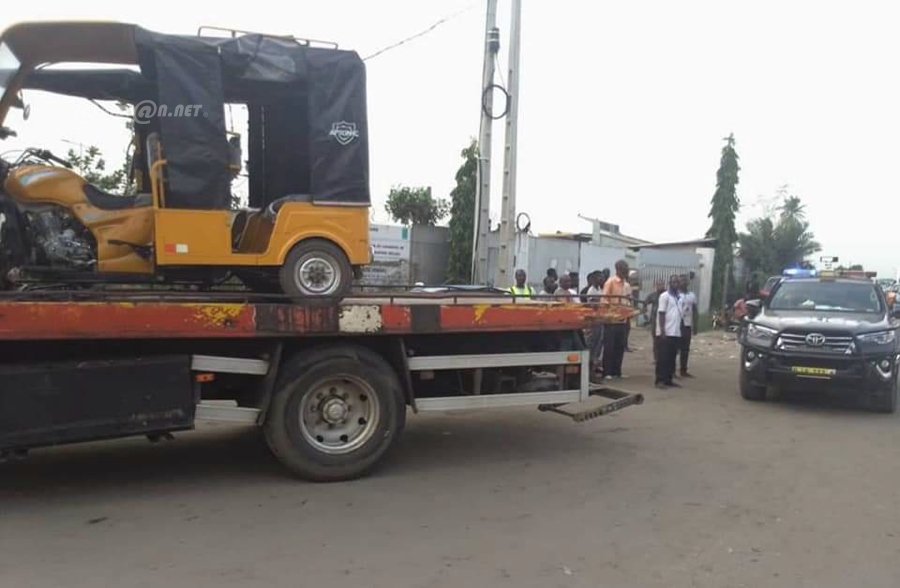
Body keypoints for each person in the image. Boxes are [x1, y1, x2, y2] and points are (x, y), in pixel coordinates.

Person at [600, 260, 632, 379]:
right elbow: (604, 300)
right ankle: (607, 372)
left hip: (623, 320)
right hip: (611, 320)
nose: (627, 271)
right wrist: (612, 311)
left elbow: (629, 300)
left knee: (620, 346)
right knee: (609, 347)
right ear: (618, 269)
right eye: (625, 269)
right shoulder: (610, 282)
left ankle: (617, 371)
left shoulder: (627, 285)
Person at [655, 274, 683, 389]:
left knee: (672, 357)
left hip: (676, 332)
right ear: (670, 284)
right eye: (673, 282)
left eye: (677, 282)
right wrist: (662, 331)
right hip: (666, 332)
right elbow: (661, 313)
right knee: (663, 358)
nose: (676, 284)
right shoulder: (664, 296)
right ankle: (659, 380)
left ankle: (668, 379)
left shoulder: (679, 297)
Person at [676, 274, 699, 378]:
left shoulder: (692, 295)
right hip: (676, 325)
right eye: (681, 281)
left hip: (687, 325)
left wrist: (695, 325)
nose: (683, 283)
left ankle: (683, 370)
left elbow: (695, 310)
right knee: (674, 349)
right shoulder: (675, 295)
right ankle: (671, 371)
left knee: (685, 349)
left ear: (688, 283)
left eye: (685, 281)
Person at [585, 272, 605, 376]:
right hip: (593, 321)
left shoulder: (600, 289)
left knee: (599, 343)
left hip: (599, 320)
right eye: (599, 277)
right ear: (594, 279)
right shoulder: (592, 290)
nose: (602, 279)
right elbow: (594, 305)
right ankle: (589, 367)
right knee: (592, 343)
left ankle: (595, 365)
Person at [644, 279, 666, 363]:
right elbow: (645, 303)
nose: (660, 286)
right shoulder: (653, 295)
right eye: (658, 285)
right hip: (654, 321)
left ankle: (663, 357)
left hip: (664, 321)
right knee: (656, 340)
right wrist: (645, 313)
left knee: (664, 340)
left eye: (662, 284)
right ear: (655, 286)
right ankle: (656, 358)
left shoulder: (667, 295)